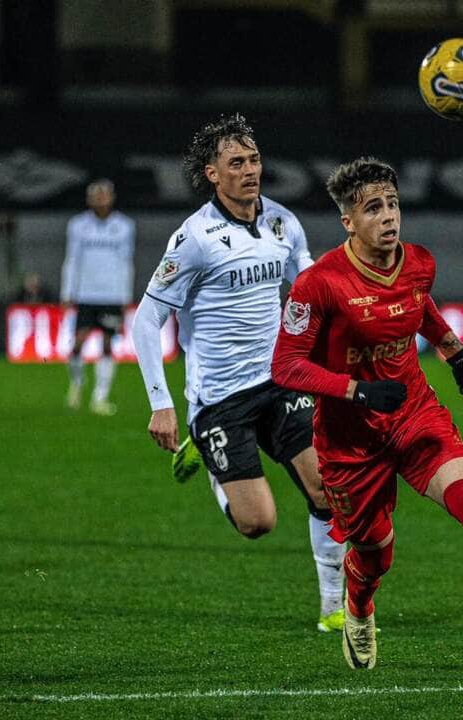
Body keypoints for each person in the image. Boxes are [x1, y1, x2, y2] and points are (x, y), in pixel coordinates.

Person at [271, 157, 463, 671]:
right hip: (350, 440)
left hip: (415, 414)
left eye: (393, 203)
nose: (389, 216)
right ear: (348, 221)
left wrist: (455, 352)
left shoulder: (418, 261)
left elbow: (419, 304)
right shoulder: (319, 284)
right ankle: (359, 608)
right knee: (375, 553)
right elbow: (285, 366)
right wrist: (357, 392)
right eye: (374, 208)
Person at [130, 114, 346, 633]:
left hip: (281, 382)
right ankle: (206, 452)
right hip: (220, 399)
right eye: (236, 163)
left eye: (254, 160)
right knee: (258, 523)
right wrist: (162, 403)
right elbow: (146, 320)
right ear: (212, 173)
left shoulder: (282, 223)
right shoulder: (194, 239)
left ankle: (333, 608)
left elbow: (310, 287)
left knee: (328, 491)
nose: (250, 170)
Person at [60, 179, 136, 415]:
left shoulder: (124, 226)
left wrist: (125, 294)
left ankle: (100, 398)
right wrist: (67, 292)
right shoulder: (78, 225)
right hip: (85, 294)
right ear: (89, 199)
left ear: (112, 198)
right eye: (97, 196)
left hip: (112, 295)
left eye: (105, 195)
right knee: (78, 343)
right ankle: (77, 383)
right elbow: (72, 259)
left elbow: (126, 262)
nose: (101, 199)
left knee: (106, 343)